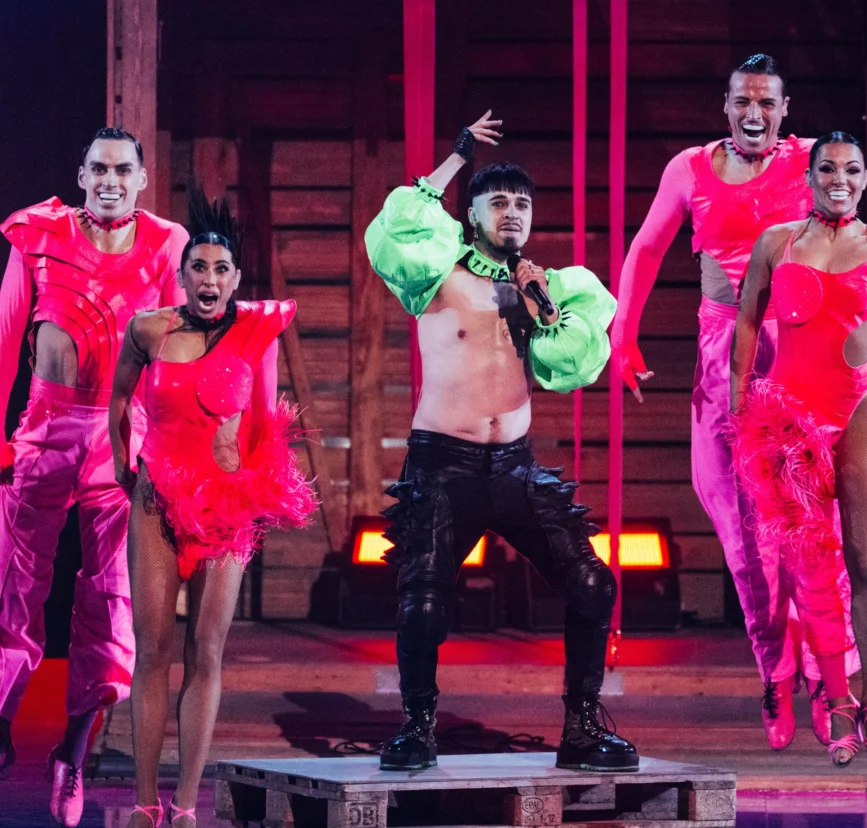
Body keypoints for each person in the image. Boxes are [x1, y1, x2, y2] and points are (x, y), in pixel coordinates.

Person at [365, 112, 638, 773]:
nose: (512, 212)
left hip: (514, 467)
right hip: (444, 464)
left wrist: (540, 304)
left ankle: (581, 730)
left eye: (521, 204)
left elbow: (569, 365)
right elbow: (395, 227)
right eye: (499, 202)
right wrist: (456, 160)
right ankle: (417, 727)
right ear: (472, 213)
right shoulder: (437, 273)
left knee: (593, 585)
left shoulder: (547, 287)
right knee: (424, 600)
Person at [610, 54, 859, 749]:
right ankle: (775, 672)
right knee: (742, 532)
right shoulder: (690, 169)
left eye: (767, 103)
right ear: (725, 107)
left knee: (813, 525)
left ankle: (827, 678)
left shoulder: (812, 162)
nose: (755, 114)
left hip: (799, 352)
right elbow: (646, 249)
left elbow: (855, 246)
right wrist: (623, 335)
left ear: (785, 110)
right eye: (743, 101)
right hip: (726, 359)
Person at [109, 187, 317, 827]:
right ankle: (145, 804)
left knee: (206, 650)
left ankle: (185, 807)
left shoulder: (257, 330)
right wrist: (123, 466)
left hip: (225, 508)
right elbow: (119, 400)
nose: (209, 278)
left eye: (221, 268)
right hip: (157, 501)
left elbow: (267, 423)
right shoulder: (149, 329)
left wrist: (256, 495)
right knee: (153, 649)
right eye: (198, 267)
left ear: (235, 279)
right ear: (182, 274)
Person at [0, 128, 188, 825]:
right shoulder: (38, 233)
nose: (111, 180)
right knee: (15, 581)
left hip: (121, 438)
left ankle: (72, 753)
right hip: (47, 427)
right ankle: (1, 722)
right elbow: (7, 333)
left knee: (111, 598)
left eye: (123, 170)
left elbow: (175, 353)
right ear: (82, 175)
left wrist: (171, 447)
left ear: (142, 179)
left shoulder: (166, 244)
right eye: (99, 169)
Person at [729, 131, 867, 766]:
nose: (840, 178)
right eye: (829, 168)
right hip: (791, 420)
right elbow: (747, 319)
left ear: (865, 179)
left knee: (865, 562)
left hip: (861, 408)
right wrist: (739, 401)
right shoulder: (776, 243)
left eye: (852, 169)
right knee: (812, 570)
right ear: (810, 176)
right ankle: (836, 700)